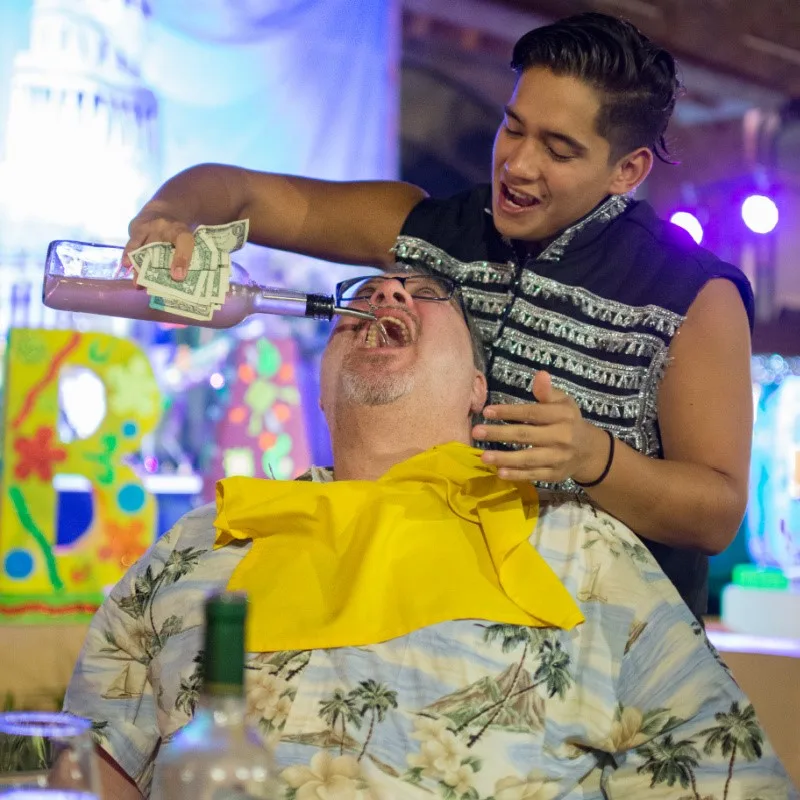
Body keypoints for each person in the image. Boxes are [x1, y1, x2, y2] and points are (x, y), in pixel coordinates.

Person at [64, 271, 791, 799]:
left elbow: (731, 782)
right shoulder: (199, 546)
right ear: (320, 382)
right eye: (364, 292)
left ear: (478, 388)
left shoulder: (582, 549)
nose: (383, 297)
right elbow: (81, 773)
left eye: (422, 292)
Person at [122, 13, 753, 618]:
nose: (518, 164)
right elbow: (239, 190)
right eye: (514, 128)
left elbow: (717, 512)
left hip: (606, 652)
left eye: (558, 150)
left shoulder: (691, 292)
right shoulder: (433, 232)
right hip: (424, 620)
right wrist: (167, 216)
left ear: (628, 169)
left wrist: (594, 459)